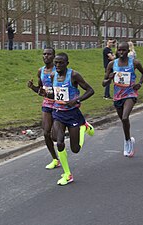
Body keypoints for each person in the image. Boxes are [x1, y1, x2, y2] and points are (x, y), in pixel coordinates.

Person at [50, 52, 95, 186]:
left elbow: (90, 90)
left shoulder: (74, 75)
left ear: (67, 64)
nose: (57, 65)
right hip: (58, 113)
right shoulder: (53, 75)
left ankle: (84, 127)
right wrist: (47, 93)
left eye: (61, 63)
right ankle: (68, 174)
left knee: (75, 149)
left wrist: (76, 100)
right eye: (56, 63)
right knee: (59, 142)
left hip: (73, 114)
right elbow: (56, 93)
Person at [102, 42, 143, 157]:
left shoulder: (134, 63)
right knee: (123, 121)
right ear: (117, 51)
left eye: (124, 50)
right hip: (118, 96)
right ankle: (128, 139)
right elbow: (103, 83)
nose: (121, 52)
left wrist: (140, 84)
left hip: (130, 94)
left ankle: (127, 143)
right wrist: (109, 79)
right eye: (119, 50)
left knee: (125, 117)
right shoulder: (112, 64)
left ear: (128, 51)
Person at [28, 47, 60, 170]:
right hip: (47, 104)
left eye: (49, 54)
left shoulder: (58, 71)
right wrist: (33, 88)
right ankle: (55, 159)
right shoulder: (40, 71)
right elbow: (41, 91)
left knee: (55, 137)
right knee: (46, 133)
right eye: (44, 54)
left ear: (54, 56)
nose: (46, 56)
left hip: (59, 104)